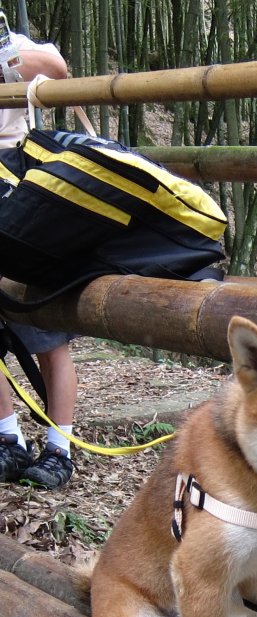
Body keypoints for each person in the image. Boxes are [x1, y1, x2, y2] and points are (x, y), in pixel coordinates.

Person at [0, 25, 77, 489]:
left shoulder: (10, 43)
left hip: (14, 183)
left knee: (45, 328)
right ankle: (8, 439)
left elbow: (55, 70)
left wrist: (5, 58)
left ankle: (59, 447)